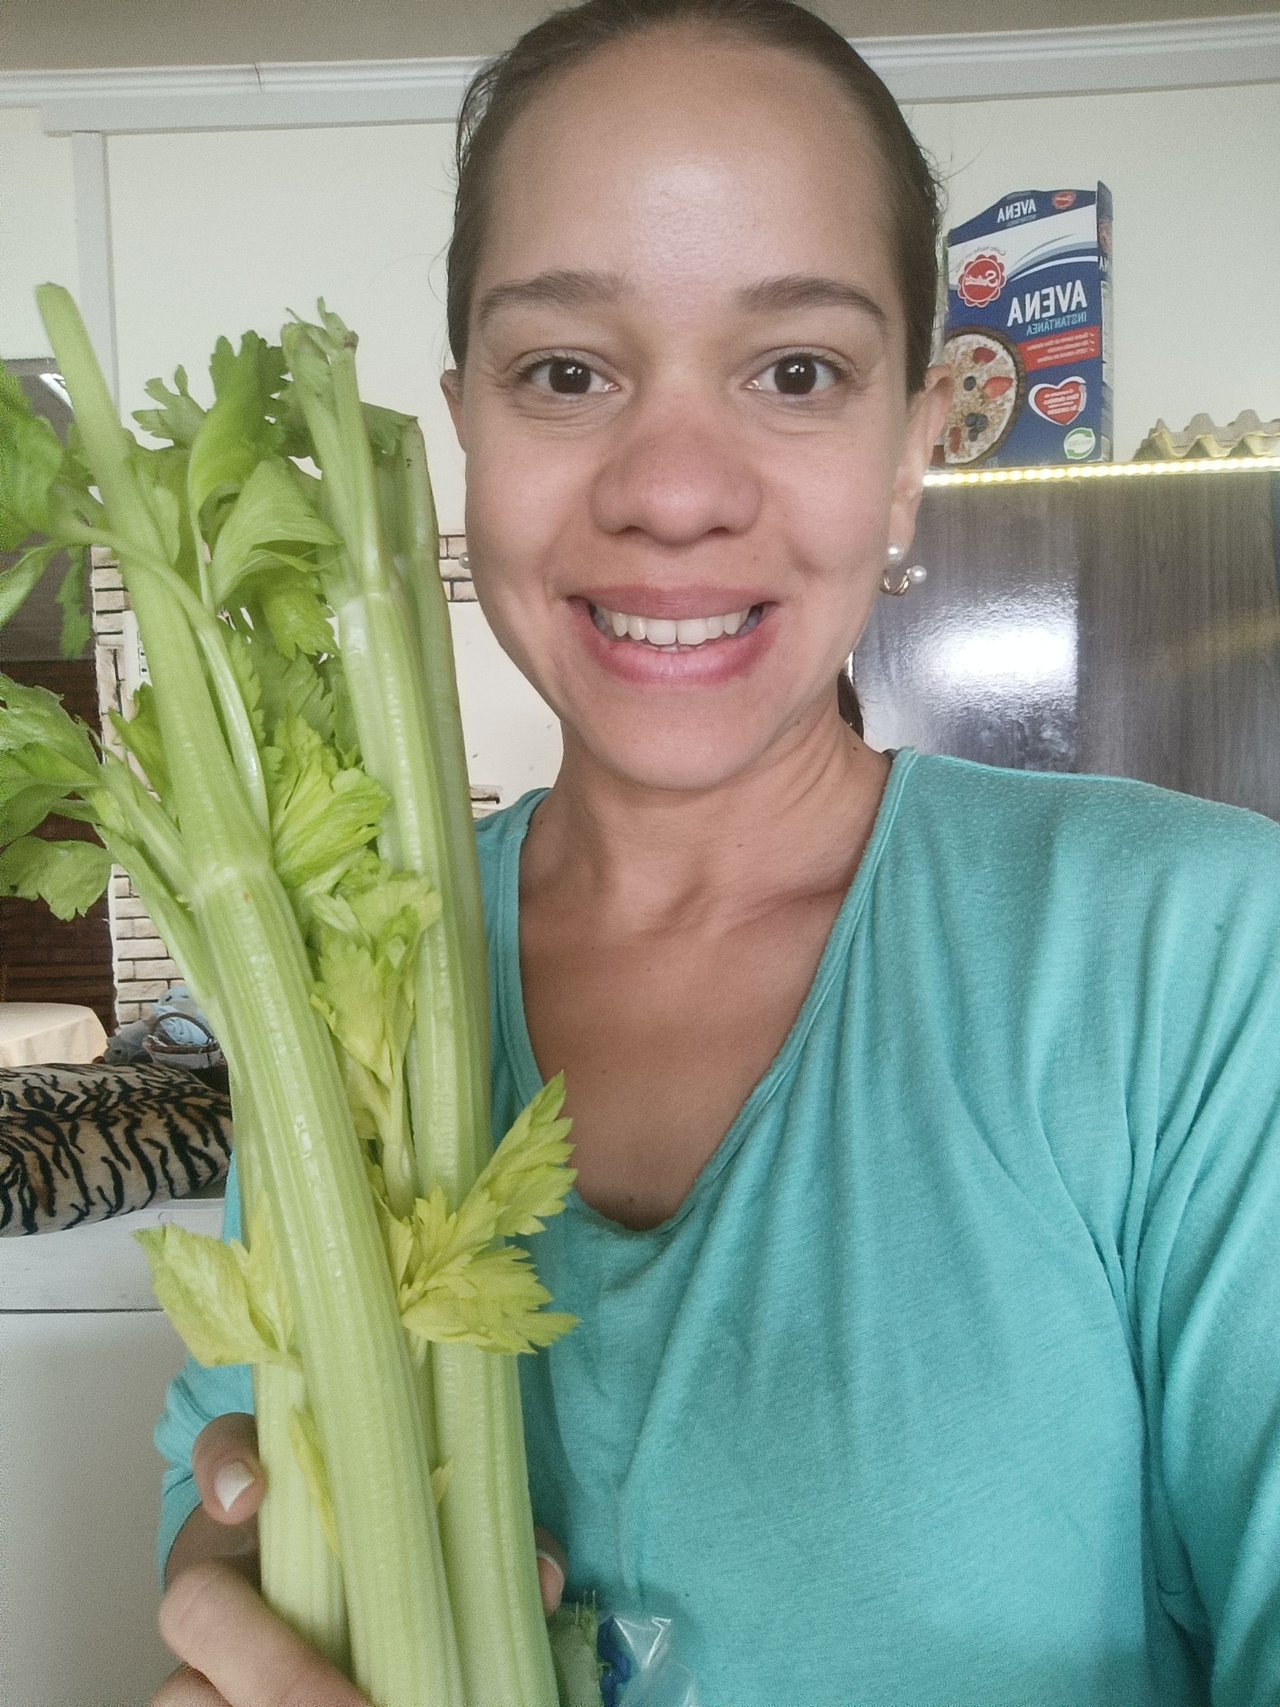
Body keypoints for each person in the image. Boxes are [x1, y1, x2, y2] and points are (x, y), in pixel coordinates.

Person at [150, 3, 1280, 1703]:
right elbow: (217, 1485)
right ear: (465, 431)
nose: (674, 490)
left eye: (798, 372)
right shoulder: (335, 965)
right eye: (567, 373)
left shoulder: (1189, 957)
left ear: (915, 445)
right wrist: (234, 1578)